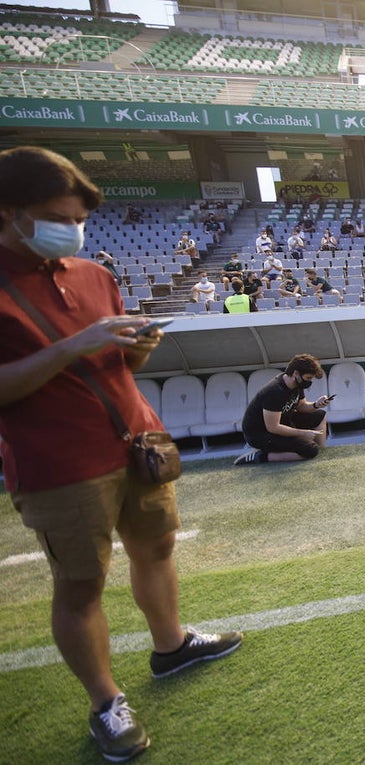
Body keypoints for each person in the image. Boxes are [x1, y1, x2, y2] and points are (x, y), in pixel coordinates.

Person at [0, 146, 241, 762]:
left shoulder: (93, 275)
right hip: (60, 463)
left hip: (136, 441)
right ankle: (105, 702)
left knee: (157, 546)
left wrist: (137, 347)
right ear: (10, 211)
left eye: (79, 218)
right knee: (80, 584)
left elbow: (112, 362)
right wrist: (72, 347)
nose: (73, 230)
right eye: (58, 215)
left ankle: (171, 645)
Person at [234, 353, 333, 465]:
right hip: (260, 434)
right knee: (310, 450)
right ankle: (261, 456)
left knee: (320, 415)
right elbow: (273, 427)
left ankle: (320, 451)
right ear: (296, 373)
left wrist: (316, 404)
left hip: (282, 421)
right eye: (308, 378)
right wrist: (302, 433)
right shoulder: (275, 391)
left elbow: (301, 406)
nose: (309, 382)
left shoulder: (297, 384)